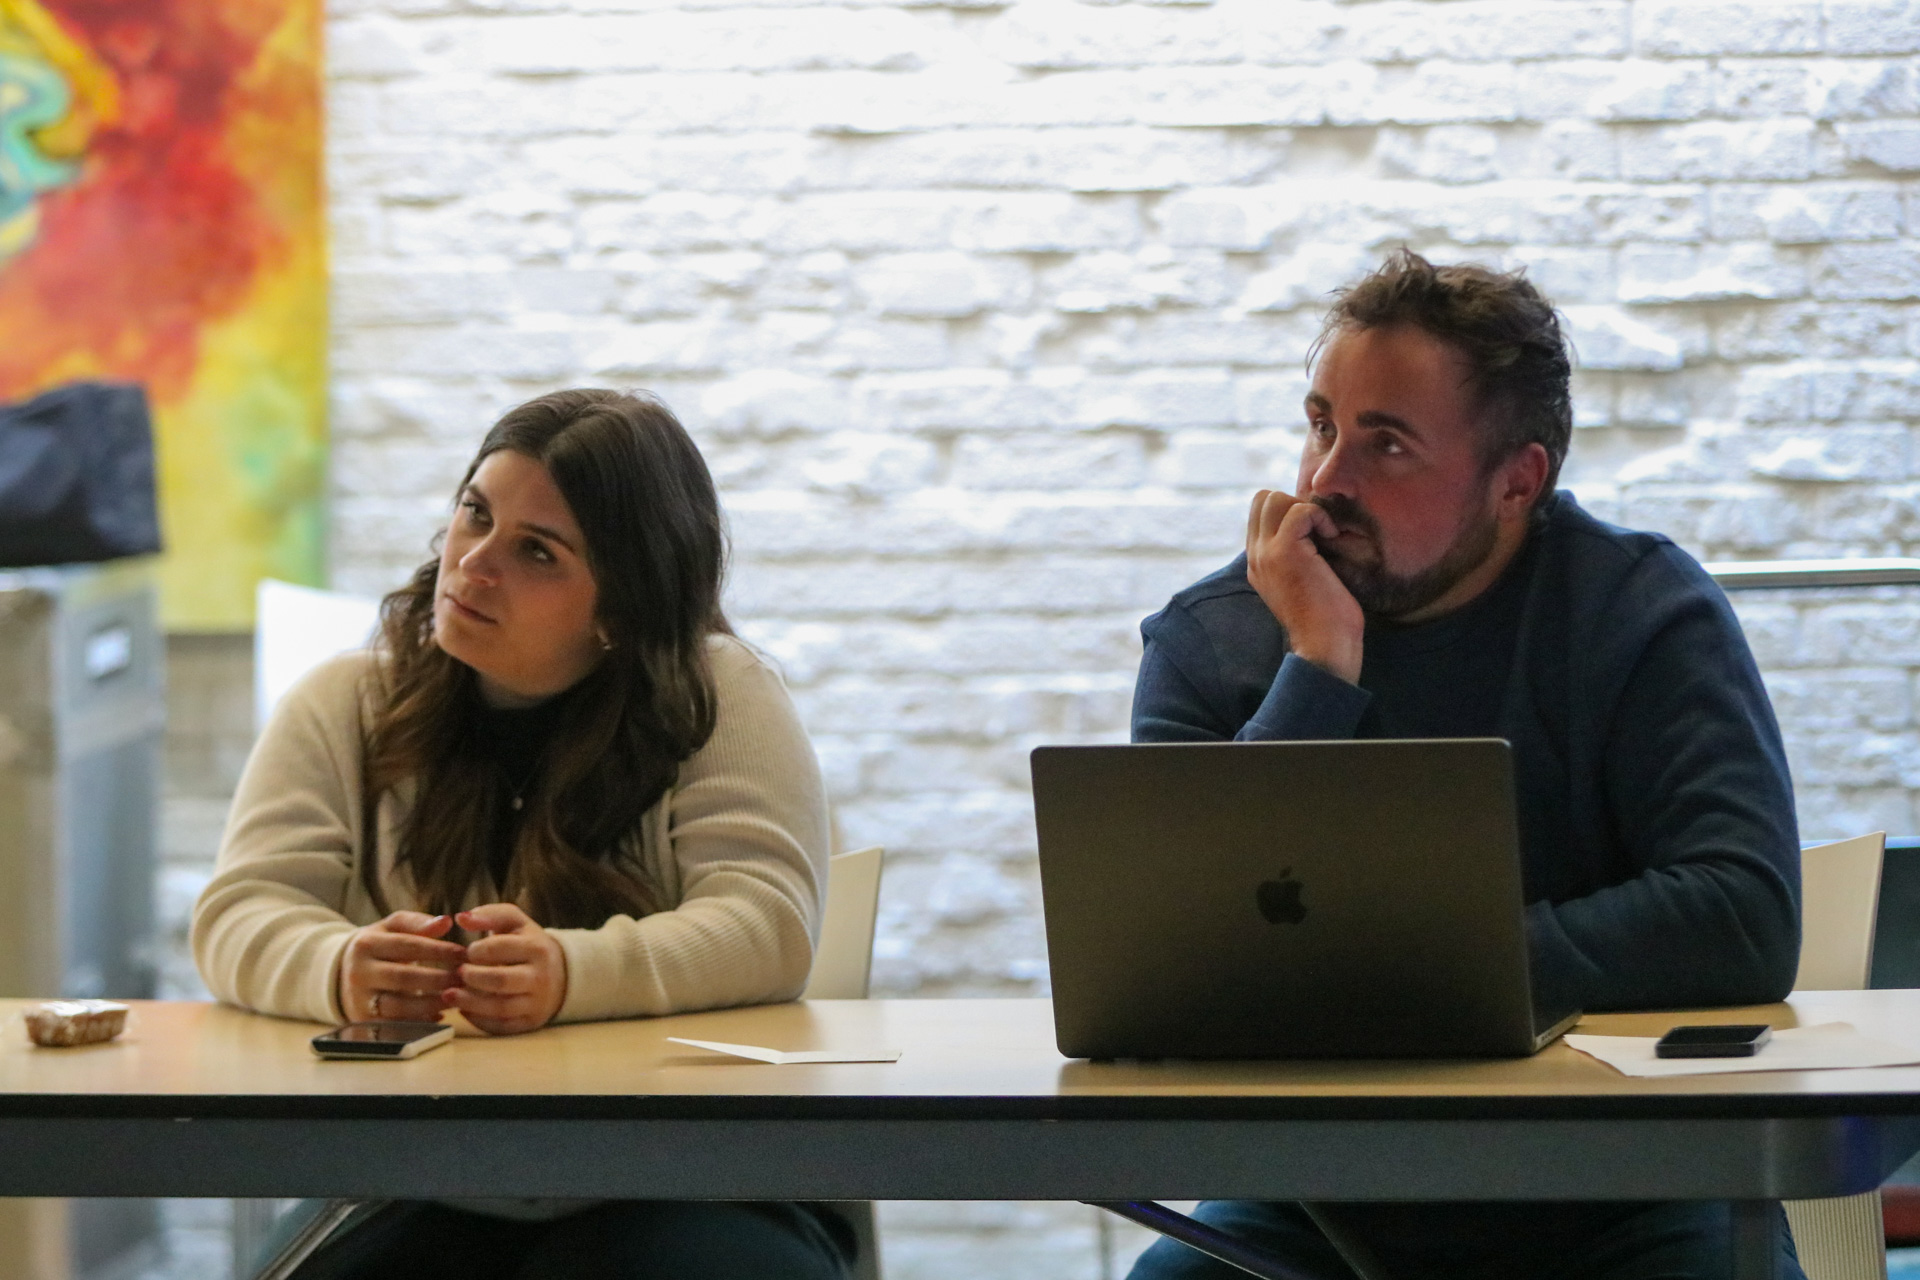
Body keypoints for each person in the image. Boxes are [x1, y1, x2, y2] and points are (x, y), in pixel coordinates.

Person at [1126, 250, 1805, 1280]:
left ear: (1517, 482)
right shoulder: (1214, 636)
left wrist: (1430, 977)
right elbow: (1173, 959)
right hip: (1311, 1200)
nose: (1326, 482)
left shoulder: (1638, 609)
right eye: (1322, 426)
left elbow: (1742, 912)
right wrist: (1317, 669)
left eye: (1388, 444)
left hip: (1622, 1180)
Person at [192, 388, 852, 1279]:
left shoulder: (718, 691)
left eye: (536, 551)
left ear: (620, 608)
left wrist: (569, 974)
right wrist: (340, 967)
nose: (472, 563)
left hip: (696, 1170)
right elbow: (239, 912)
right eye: (475, 513)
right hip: (420, 1172)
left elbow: (767, 926)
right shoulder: (345, 700)